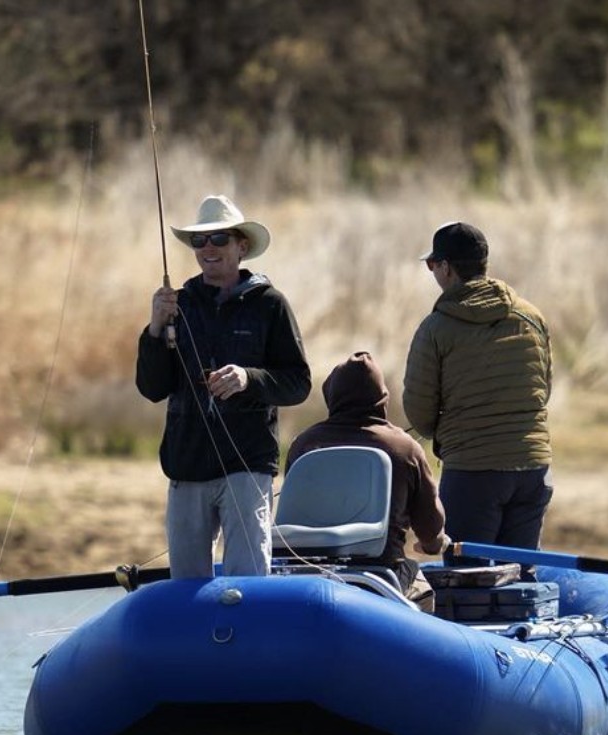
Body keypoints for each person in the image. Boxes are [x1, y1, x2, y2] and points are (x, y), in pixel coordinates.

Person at [136, 194, 311, 578]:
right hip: (186, 465)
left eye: (219, 238)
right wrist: (154, 329)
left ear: (241, 247)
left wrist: (248, 378)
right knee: (186, 587)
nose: (208, 248)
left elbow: (298, 384)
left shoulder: (271, 305)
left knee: (248, 583)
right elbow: (152, 388)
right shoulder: (177, 306)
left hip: (246, 466)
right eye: (199, 241)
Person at [402, 221, 553, 562]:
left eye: (432, 264)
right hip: (534, 468)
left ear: (447, 268)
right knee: (521, 576)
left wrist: (447, 430)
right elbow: (543, 389)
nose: (432, 271)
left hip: (472, 471)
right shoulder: (531, 316)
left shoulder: (435, 328)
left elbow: (420, 412)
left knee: (466, 578)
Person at [286, 352, 448, 611]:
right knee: (423, 589)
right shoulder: (405, 449)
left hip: (307, 575)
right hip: (382, 574)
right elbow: (430, 527)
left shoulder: (303, 445)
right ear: (382, 398)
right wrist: (433, 544)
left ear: (331, 394)